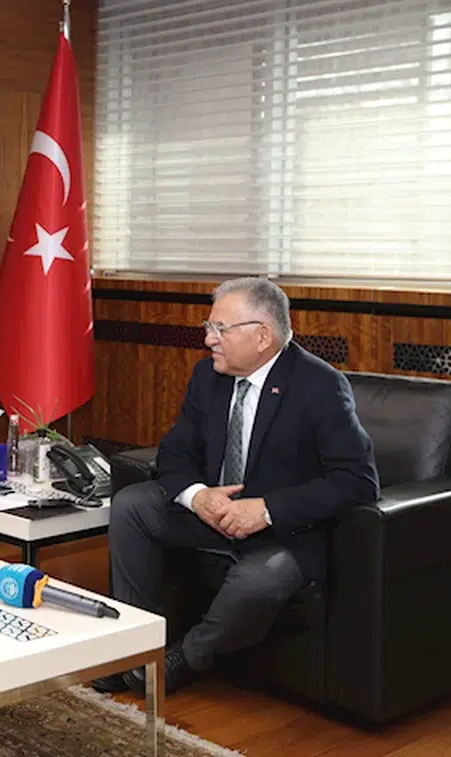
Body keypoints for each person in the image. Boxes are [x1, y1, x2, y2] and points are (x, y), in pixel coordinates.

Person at [93, 276, 380, 696]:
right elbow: (174, 453)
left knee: (258, 580)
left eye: (220, 329)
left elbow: (358, 481)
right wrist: (198, 497)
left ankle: (184, 659)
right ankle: (135, 649)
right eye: (209, 327)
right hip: (213, 516)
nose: (209, 339)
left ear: (262, 336)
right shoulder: (208, 376)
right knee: (131, 505)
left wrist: (265, 509)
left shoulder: (318, 386)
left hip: (282, 533)